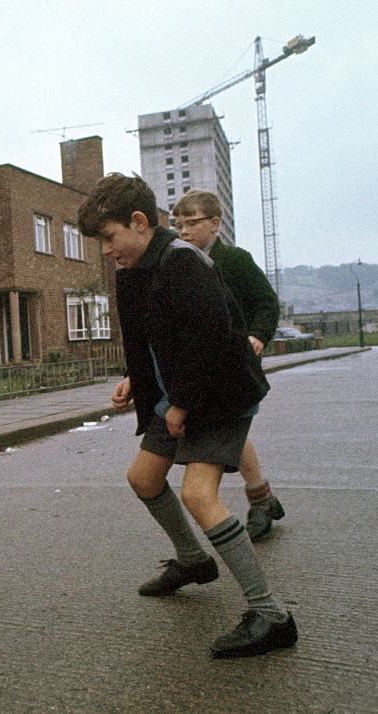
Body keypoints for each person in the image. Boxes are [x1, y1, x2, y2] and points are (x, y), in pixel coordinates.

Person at [77, 173, 297, 658]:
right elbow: (153, 340)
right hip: (180, 391)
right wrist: (138, 380)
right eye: (101, 243)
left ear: (139, 222)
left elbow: (214, 342)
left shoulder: (183, 262)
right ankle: (194, 560)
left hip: (220, 392)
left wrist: (180, 404)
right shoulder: (133, 269)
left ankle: (270, 614)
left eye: (111, 238)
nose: (108, 250)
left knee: (199, 494)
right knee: (143, 478)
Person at [171, 190, 285, 541]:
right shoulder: (181, 265)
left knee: (229, 430)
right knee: (236, 430)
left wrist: (257, 337)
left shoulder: (235, 260)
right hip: (207, 368)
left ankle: (254, 502)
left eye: (193, 224)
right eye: (178, 225)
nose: (184, 232)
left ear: (215, 224)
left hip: (237, 364)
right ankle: (263, 497)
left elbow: (267, 303)